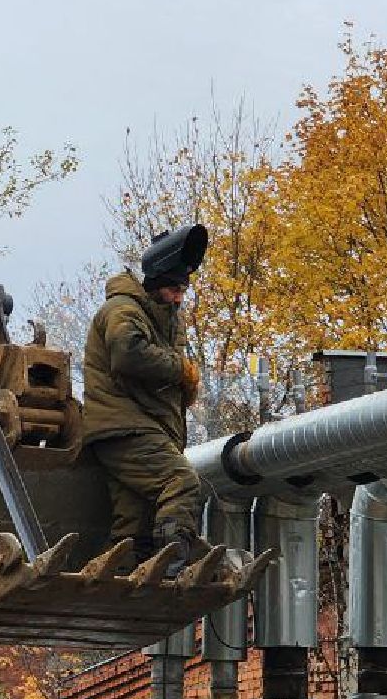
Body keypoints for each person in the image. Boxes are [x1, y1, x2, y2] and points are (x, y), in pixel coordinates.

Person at [80, 225, 268, 590]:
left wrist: (182, 389)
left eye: (183, 289)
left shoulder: (163, 316)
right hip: (125, 428)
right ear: (155, 284)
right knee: (180, 481)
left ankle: (121, 586)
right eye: (174, 289)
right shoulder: (122, 309)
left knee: (134, 520)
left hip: (140, 426)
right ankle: (172, 567)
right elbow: (128, 353)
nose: (180, 297)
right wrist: (180, 371)